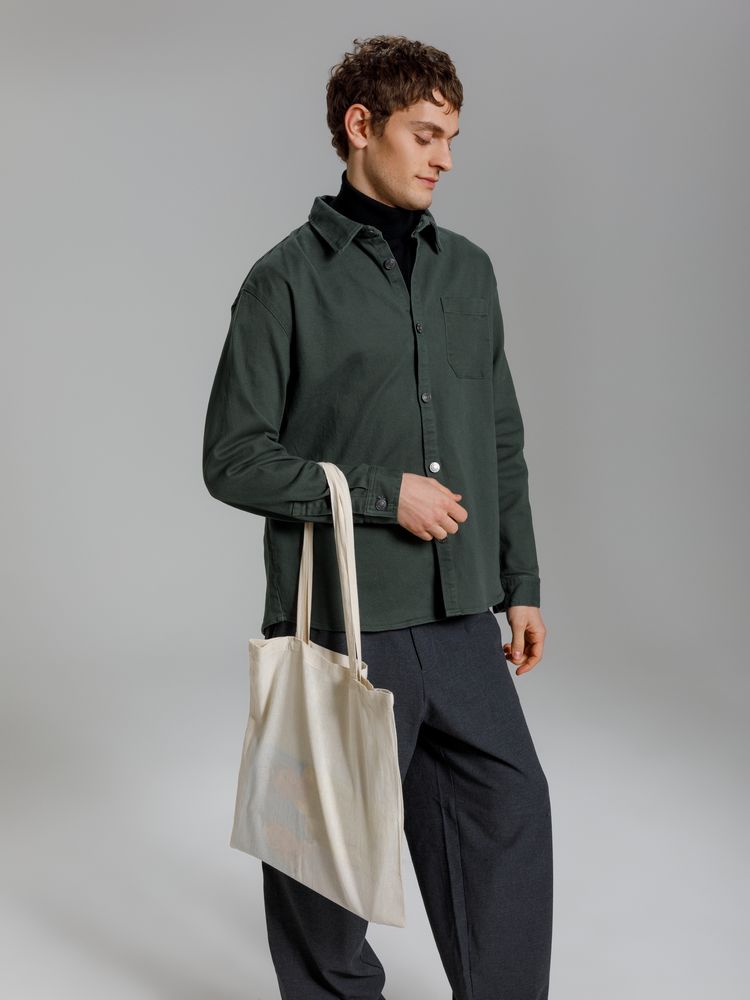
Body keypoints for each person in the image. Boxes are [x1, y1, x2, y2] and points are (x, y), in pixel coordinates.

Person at [203, 33, 552, 1000]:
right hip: (347, 624)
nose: (445, 158)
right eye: (425, 134)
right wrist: (377, 492)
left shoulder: (468, 271)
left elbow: (501, 437)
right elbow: (232, 457)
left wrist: (520, 582)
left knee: (508, 819)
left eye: (452, 138)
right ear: (362, 127)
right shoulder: (283, 281)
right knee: (323, 865)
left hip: (462, 614)